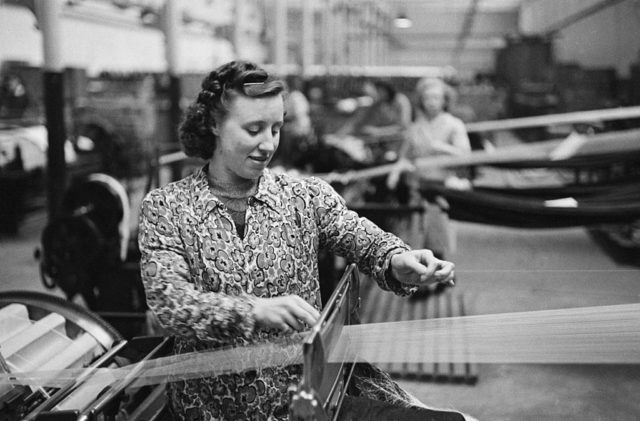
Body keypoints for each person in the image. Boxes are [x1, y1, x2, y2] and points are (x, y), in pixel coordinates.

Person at [138, 61, 466, 420]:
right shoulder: (167, 207)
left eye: (276, 128)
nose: (268, 144)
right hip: (214, 408)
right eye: (254, 129)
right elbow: (170, 302)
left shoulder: (301, 195)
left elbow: (358, 235)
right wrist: (252, 311)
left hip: (306, 397)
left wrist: (396, 259)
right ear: (214, 124)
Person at [386, 77, 472, 298]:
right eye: (427, 98)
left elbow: (466, 155)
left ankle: (440, 276)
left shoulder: (454, 124)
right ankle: (425, 280)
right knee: (419, 235)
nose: (431, 102)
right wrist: (396, 172)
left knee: (438, 234)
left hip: (442, 188)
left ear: (445, 100)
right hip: (418, 187)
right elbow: (405, 156)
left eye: (436, 97)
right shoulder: (415, 127)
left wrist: (441, 147)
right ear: (421, 101)